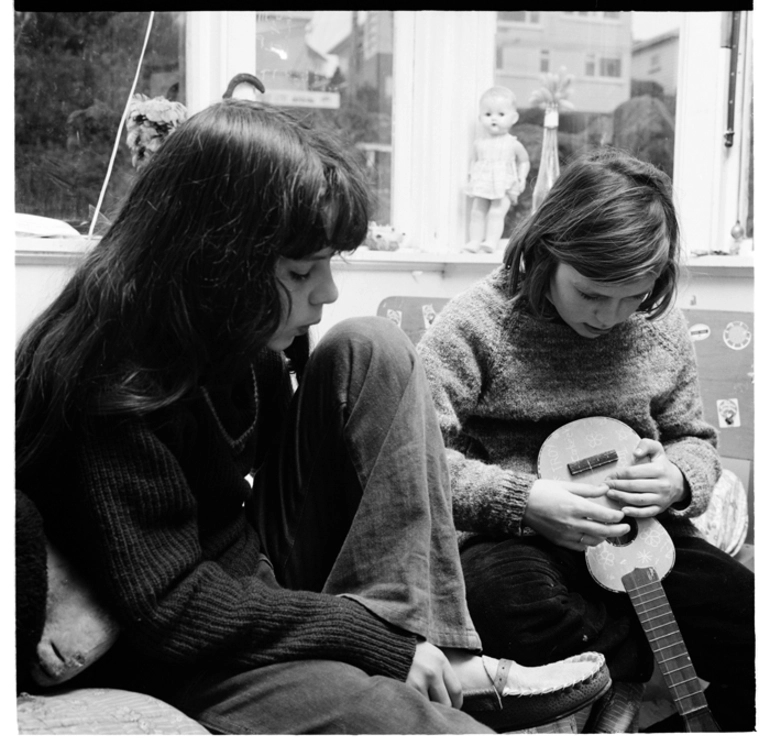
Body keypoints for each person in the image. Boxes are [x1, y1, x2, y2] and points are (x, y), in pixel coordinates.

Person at [14, 99, 610, 736]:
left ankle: (442, 652)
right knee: (411, 722)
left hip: (248, 568)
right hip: (174, 640)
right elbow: (169, 609)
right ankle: (425, 680)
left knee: (372, 345)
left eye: (328, 264)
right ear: (212, 260)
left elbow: (272, 482)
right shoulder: (107, 376)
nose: (325, 291)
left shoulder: (236, 333)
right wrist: (367, 638)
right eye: (302, 271)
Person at [418, 148, 755, 732]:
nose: (610, 316)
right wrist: (518, 500)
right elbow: (411, 459)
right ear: (546, 251)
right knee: (505, 611)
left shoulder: (659, 327)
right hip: (515, 536)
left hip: (639, 535)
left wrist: (676, 479)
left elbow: (694, 440)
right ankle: (623, 665)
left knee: (750, 621)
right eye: (592, 294)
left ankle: (635, 695)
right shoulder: (475, 324)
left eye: (634, 297)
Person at [464, 86, 530, 254]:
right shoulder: (479, 143)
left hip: (503, 184)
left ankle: (491, 241)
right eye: (488, 114)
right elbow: (474, 161)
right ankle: (474, 241)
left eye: (501, 114)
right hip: (483, 182)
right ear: (480, 117)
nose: (494, 119)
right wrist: (472, 177)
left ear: (513, 118)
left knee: (496, 212)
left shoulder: (512, 143)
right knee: (477, 212)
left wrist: (522, 178)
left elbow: (524, 161)